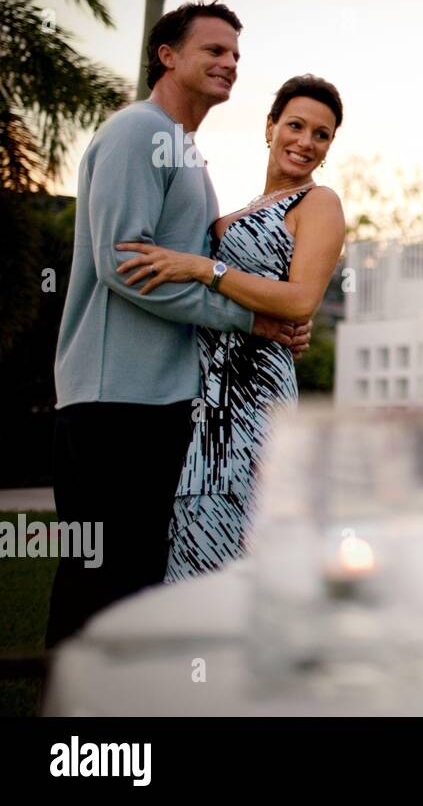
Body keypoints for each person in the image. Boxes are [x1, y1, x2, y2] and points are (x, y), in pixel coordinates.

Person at [47, 0, 308, 646]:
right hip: (114, 400)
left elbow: (198, 267)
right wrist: (247, 318)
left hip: (162, 402)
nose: (230, 64)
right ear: (167, 56)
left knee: (136, 582)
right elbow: (123, 265)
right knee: (100, 583)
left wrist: (274, 312)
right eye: (214, 51)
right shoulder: (138, 133)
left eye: (237, 56)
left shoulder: (186, 152)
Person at [114, 75, 346, 580]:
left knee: (244, 542)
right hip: (200, 395)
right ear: (270, 128)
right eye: (296, 126)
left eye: (321, 135)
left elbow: (301, 300)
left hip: (255, 396)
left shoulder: (318, 203)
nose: (305, 142)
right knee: (193, 537)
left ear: (329, 148)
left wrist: (204, 268)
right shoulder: (232, 214)